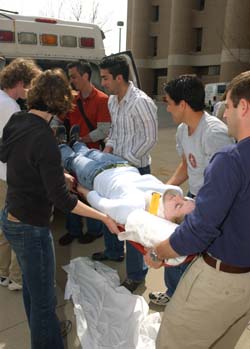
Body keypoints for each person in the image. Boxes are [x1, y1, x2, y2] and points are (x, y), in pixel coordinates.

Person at [0, 69, 119, 349]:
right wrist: (103, 216)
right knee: (45, 301)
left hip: (11, 217)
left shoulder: (18, 119)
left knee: (32, 287)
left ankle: (45, 331)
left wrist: (51, 174)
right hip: (31, 228)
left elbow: (7, 154)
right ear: (60, 102)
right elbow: (64, 201)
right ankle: (47, 340)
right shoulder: (44, 137)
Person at [145, 70, 250, 348]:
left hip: (222, 277)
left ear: (244, 107)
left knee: (171, 342)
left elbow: (201, 230)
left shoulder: (229, 156)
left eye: (227, 106)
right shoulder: (190, 134)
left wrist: (158, 252)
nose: (224, 114)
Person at [150, 75, 234, 306]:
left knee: (187, 247)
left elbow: (224, 184)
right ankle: (173, 293)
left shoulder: (214, 133)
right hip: (194, 197)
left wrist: (198, 210)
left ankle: (188, 300)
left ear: (183, 104)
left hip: (213, 203)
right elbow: (186, 165)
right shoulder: (181, 130)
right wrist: (164, 188)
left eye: (168, 102)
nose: (166, 108)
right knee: (173, 239)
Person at [92, 54, 158, 292]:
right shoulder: (112, 101)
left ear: (120, 77)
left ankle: (136, 274)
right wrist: (108, 150)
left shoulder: (141, 102)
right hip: (116, 166)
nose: (103, 83)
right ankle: (112, 251)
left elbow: (150, 139)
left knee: (133, 224)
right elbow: (116, 133)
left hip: (136, 170)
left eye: (106, 78)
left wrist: (124, 161)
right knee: (109, 212)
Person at [58, 136, 194, 225]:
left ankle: (60, 143)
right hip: (120, 163)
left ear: (168, 219)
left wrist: (79, 188)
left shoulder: (131, 209)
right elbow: (182, 197)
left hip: (94, 174)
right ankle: (75, 142)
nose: (178, 198)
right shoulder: (170, 194)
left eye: (178, 206)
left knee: (72, 161)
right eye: (185, 199)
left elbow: (99, 202)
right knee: (88, 151)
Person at [59, 60, 111, 246]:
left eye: (73, 76)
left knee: (89, 194)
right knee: (70, 191)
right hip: (71, 155)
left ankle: (94, 230)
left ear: (85, 76)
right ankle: (73, 230)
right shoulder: (72, 100)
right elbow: (59, 119)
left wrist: (79, 140)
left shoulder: (102, 99)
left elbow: (103, 131)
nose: (71, 81)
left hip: (91, 155)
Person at [0, 58, 41, 291]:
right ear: (18, 82)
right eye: (29, 85)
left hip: (1, 175)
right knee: (16, 227)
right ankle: (17, 278)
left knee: (2, 227)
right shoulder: (11, 107)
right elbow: (16, 147)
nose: (30, 91)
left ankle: (3, 272)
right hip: (8, 177)